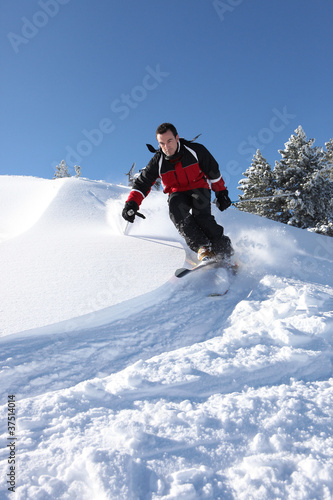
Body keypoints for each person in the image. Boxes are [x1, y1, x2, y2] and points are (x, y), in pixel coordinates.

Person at [122, 123, 233, 261]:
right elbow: (142, 184)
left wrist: (221, 193)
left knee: (202, 217)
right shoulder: (158, 161)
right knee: (176, 211)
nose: (166, 147)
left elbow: (213, 172)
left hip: (199, 188)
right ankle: (203, 247)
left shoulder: (195, 150)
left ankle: (224, 249)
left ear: (177, 138)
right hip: (177, 192)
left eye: (169, 141)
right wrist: (131, 204)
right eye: (162, 143)